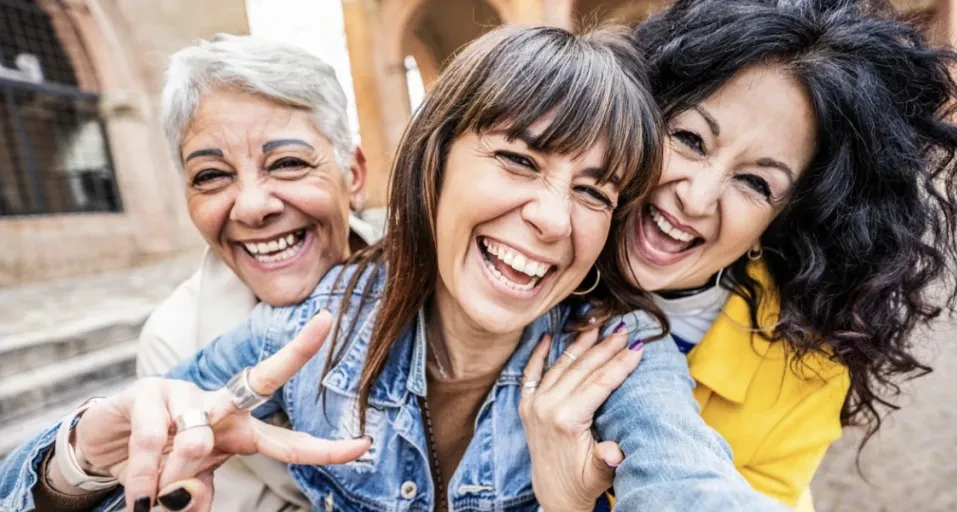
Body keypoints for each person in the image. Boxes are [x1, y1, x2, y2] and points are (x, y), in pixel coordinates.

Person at [0, 25, 788, 512]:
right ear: (431, 168)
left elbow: (688, 481)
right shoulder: (309, 333)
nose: (551, 216)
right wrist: (78, 462)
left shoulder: (619, 356)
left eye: (593, 191)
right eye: (518, 159)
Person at [587, 0, 957, 510]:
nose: (696, 198)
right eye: (690, 139)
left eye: (756, 182)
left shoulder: (802, 376)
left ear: (782, 220)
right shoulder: (527, 248)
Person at [132, 34, 380, 512]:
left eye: (287, 164)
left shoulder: (433, 288)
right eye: (211, 176)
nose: (251, 207)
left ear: (353, 175)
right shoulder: (175, 342)